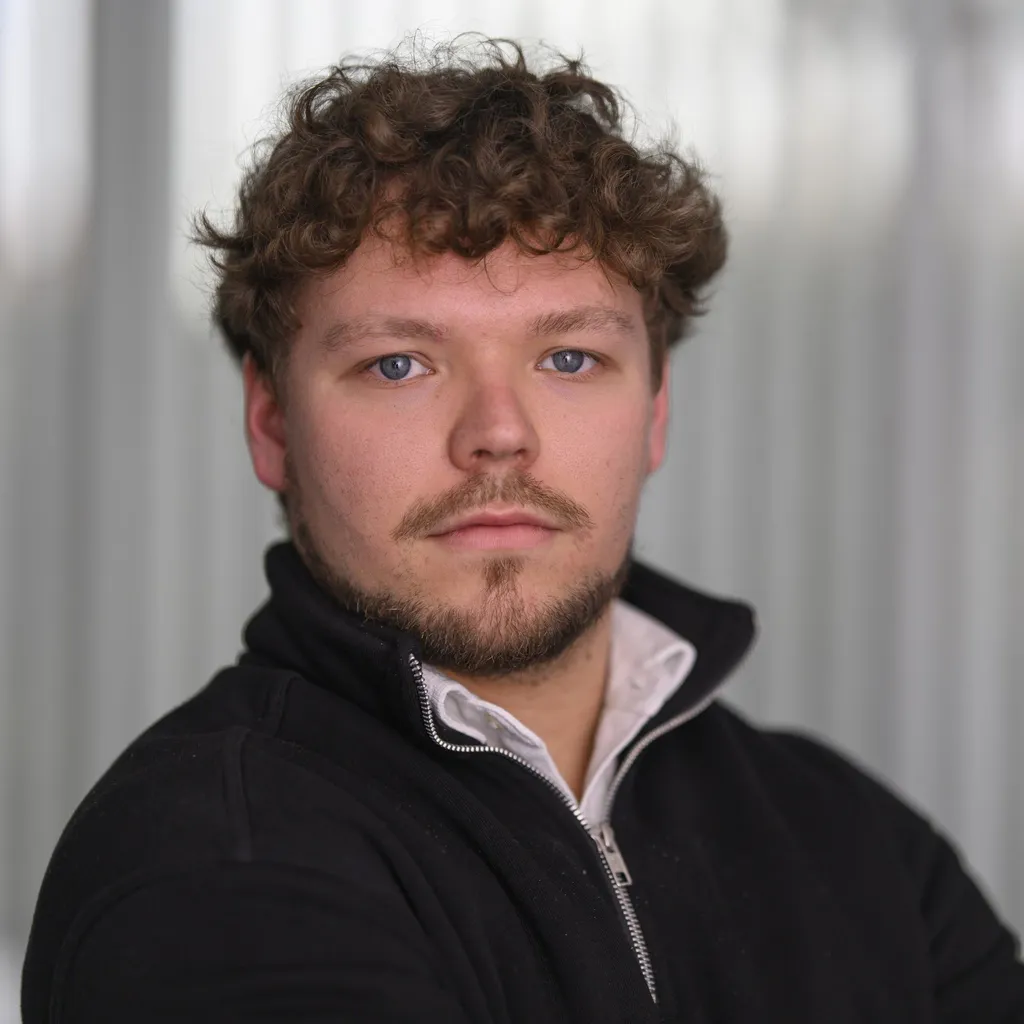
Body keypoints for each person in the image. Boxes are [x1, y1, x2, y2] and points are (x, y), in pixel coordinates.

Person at [21, 37, 1024, 1024]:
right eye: (399, 365)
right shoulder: (203, 865)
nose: (498, 435)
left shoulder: (857, 849)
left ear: (657, 409)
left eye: (571, 359)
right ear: (271, 422)